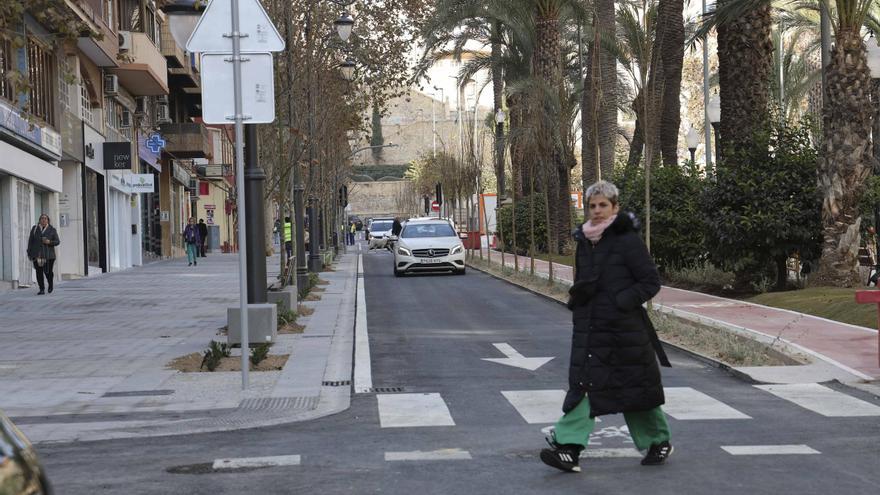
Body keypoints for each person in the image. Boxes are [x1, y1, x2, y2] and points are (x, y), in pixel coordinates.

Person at [540, 180, 673, 473]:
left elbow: (650, 282)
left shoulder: (627, 240)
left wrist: (620, 301)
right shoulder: (585, 242)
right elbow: (586, 281)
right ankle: (568, 448)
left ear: (615, 208)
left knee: (636, 389)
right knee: (585, 387)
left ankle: (657, 441)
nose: (597, 211)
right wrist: (578, 300)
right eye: (592, 206)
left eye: (603, 205)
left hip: (625, 331)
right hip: (591, 329)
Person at [27, 214, 60, 295]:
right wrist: (29, 252)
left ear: (48, 220)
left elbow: (57, 241)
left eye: (45, 218)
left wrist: (49, 242)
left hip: (49, 256)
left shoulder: (52, 230)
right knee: (39, 272)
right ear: (39, 220)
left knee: (48, 272)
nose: (43, 220)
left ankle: (50, 284)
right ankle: (41, 289)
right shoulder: (35, 229)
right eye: (42, 218)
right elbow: (30, 241)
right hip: (37, 255)